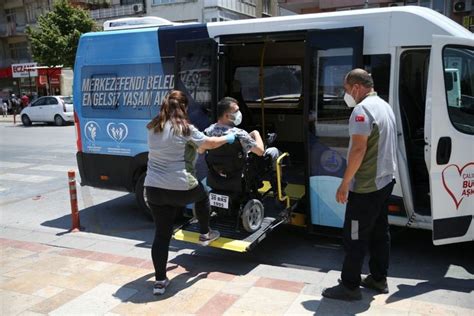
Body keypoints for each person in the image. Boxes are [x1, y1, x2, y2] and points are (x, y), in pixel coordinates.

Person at [145, 90, 235, 296]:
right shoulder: (185, 129)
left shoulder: (153, 127)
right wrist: (228, 137)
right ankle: (205, 233)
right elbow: (208, 143)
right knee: (203, 195)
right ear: (184, 108)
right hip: (180, 186)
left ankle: (159, 281)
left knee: (161, 235)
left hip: (153, 189)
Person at [322, 69, 397, 301]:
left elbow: (358, 149)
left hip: (366, 187)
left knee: (354, 236)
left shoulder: (361, 110)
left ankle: (350, 285)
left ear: (356, 87)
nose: (346, 95)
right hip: (385, 181)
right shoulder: (384, 105)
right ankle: (378, 278)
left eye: (346, 90)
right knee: (379, 232)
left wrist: (344, 184)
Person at [204, 97, 281, 191]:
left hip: (218, 172)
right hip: (241, 171)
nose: (239, 114)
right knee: (274, 152)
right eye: (236, 111)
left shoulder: (207, 131)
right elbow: (260, 151)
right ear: (227, 116)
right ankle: (278, 190)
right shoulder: (239, 134)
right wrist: (256, 133)